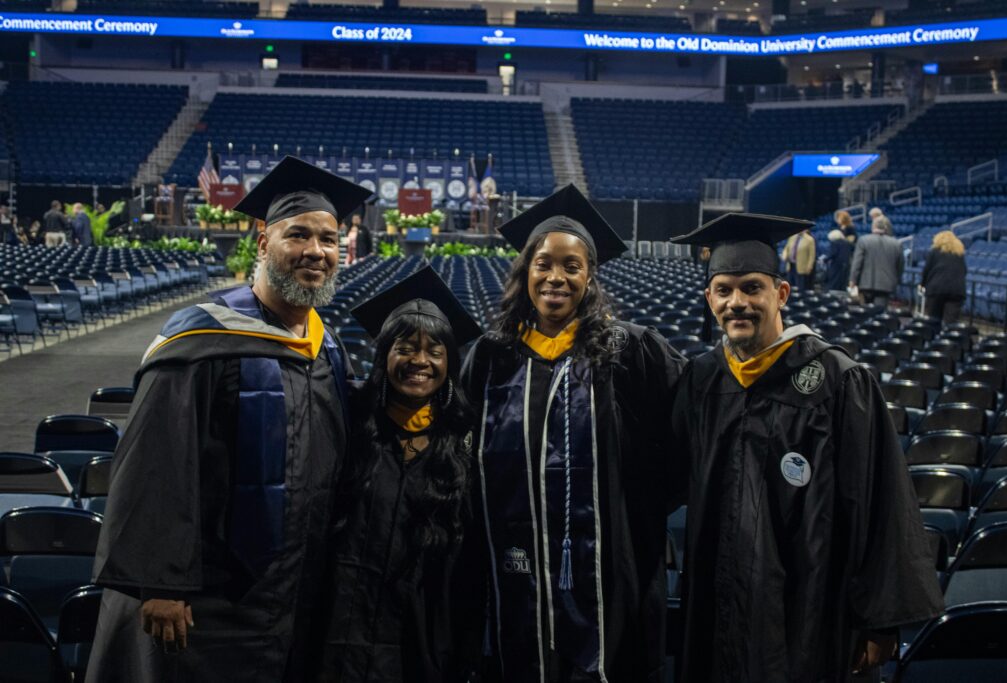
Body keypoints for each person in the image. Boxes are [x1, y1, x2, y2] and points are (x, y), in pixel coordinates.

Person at [86, 156, 371, 683]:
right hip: (207, 596)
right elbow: (155, 459)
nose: (316, 252)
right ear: (263, 243)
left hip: (291, 589)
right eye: (299, 236)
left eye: (329, 240)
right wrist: (162, 582)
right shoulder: (200, 339)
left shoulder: (327, 348)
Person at [670, 212, 944, 683]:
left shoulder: (837, 380)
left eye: (752, 288)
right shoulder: (702, 379)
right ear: (709, 298)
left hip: (808, 609)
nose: (738, 302)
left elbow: (878, 501)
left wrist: (877, 619)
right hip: (718, 603)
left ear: (781, 294)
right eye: (724, 290)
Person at [461, 184, 686, 682]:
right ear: (525, 273)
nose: (555, 277)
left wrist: (633, 516)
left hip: (607, 567)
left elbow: (681, 444)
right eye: (543, 264)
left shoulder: (632, 353)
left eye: (571, 266)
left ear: (590, 276)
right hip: (512, 565)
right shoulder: (492, 358)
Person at [318, 265, 482, 682]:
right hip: (337, 632)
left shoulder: (464, 445)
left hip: (423, 642)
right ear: (384, 354)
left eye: (434, 352)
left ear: (450, 362)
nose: (420, 361)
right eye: (406, 347)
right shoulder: (348, 427)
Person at [849, 215, 902, 308]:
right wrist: (897, 280)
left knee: (865, 314)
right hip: (886, 285)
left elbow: (857, 263)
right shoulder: (896, 244)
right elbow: (900, 266)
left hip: (865, 284)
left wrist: (853, 280)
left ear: (873, 226)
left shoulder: (863, 240)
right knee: (880, 314)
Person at [920, 230, 967, 324]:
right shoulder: (959, 254)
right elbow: (964, 271)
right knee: (951, 322)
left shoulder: (934, 252)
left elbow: (927, 269)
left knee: (934, 320)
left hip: (936, 289)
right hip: (956, 290)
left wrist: (922, 284)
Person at [782, 227, 815, 291]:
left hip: (801, 266)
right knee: (789, 285)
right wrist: (784, 255)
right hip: (790, 264)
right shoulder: (791, 237)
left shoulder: (810, 239)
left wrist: (809, 267)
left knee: (801, 286)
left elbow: (812, 256)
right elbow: (786, 248)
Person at [823, 228, 852, 295]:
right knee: (842, 283)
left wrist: (824, 259)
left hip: (836, 266)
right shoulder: (847, 243)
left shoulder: (834, 243)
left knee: (833, 283)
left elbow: (832, 254)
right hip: (846, 266)